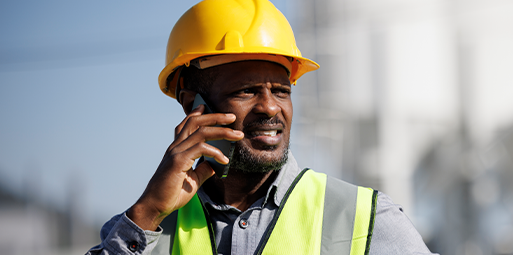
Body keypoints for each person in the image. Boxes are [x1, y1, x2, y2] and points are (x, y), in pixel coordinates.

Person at [86, 0, 434, 254]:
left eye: (282, 91)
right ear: (192, 103)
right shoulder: (142, 231)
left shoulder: (366, 220)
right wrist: (147, 212)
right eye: (246, 90)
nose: (270, 106)